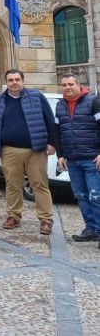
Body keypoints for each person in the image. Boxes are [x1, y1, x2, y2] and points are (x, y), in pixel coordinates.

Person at [0, 69, 56, 235]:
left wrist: (52, 142)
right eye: (11, 80)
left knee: (39, 184)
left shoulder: (36, 96)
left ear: (23, 80)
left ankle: (46, 219)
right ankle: (14, 216)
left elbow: (50, 119)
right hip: (9, 150)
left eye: (17, 79)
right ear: (6, 82)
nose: (14, 83)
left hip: (36, 149)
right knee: (12, 184)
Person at [54, 73, 100, 246]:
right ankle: (92, 229)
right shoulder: (60, 105)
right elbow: (57, 131)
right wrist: (60, 155)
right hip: (72, 160)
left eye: (70, 84)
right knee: (81, 196)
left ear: (78, 85)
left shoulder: (93, 102)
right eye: (64, 84)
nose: (67, 87)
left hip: (92, 159)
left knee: (96, 196)